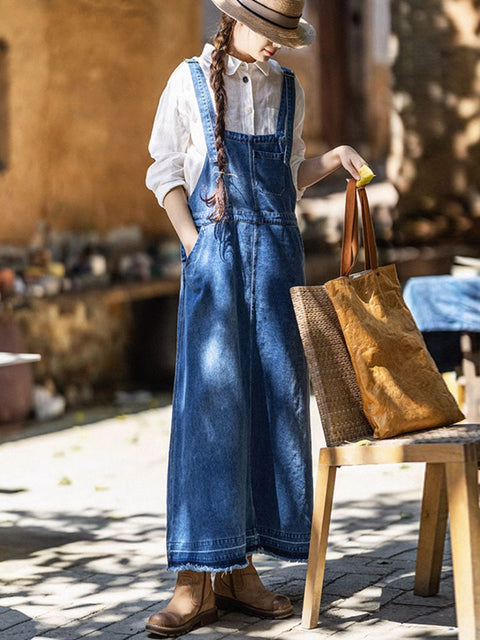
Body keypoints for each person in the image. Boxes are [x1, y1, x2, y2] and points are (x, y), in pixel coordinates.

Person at [145, 0, 368, 636]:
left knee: (274, 405)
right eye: (269, 32)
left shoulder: (288, 88)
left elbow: (287, 176)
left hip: (276, 265)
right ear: (235, 21)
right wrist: (195, 247)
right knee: (208, 412)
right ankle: (194, 581)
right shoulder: (188, 79)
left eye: (284, 35)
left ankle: (241, 573)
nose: (276, 45)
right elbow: (164, 171)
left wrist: (335, 159)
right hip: (214, 261)